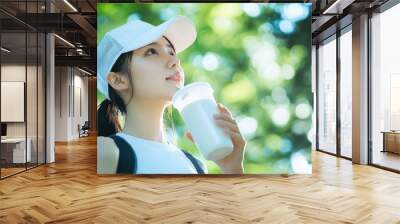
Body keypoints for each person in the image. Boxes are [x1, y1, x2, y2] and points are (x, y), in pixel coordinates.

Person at [97, 16, 246, 174]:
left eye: (171, 52)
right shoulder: (105, 152)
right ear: (118, 80)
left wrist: (232, 169)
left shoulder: (195, 165)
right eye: (152, 51)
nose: (174, 61)